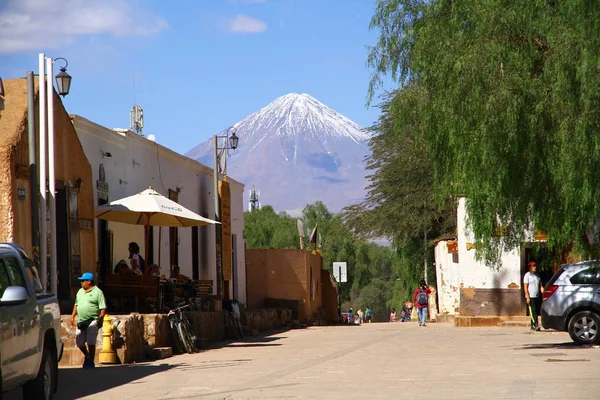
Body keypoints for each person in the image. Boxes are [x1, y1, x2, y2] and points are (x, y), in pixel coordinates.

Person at [71, 272, 107, 369]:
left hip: (92, 320)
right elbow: (76, 304)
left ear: (89, 281)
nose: (81, 283)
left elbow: (103, 307)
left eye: (83, 281)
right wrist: (73, 316)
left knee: (91, 342)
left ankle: (91, 360)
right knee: (79, 342)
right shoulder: (80, 292)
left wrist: (101, 318)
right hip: (81, 320)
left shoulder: (98, 292)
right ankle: (87, 356)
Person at [523, 261, 544, 331]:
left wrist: (543, 292)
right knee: (533, 311)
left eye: (535, 265)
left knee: (537, 311)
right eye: (533, 266)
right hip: (531, 296)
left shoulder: (537, 276)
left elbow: (540, 286)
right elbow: (525, 287)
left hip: (537, 296)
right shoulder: (527, 275)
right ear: (529, 267)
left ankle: (534, 325)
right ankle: (535, 325)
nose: (535, 267)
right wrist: (527, 297)